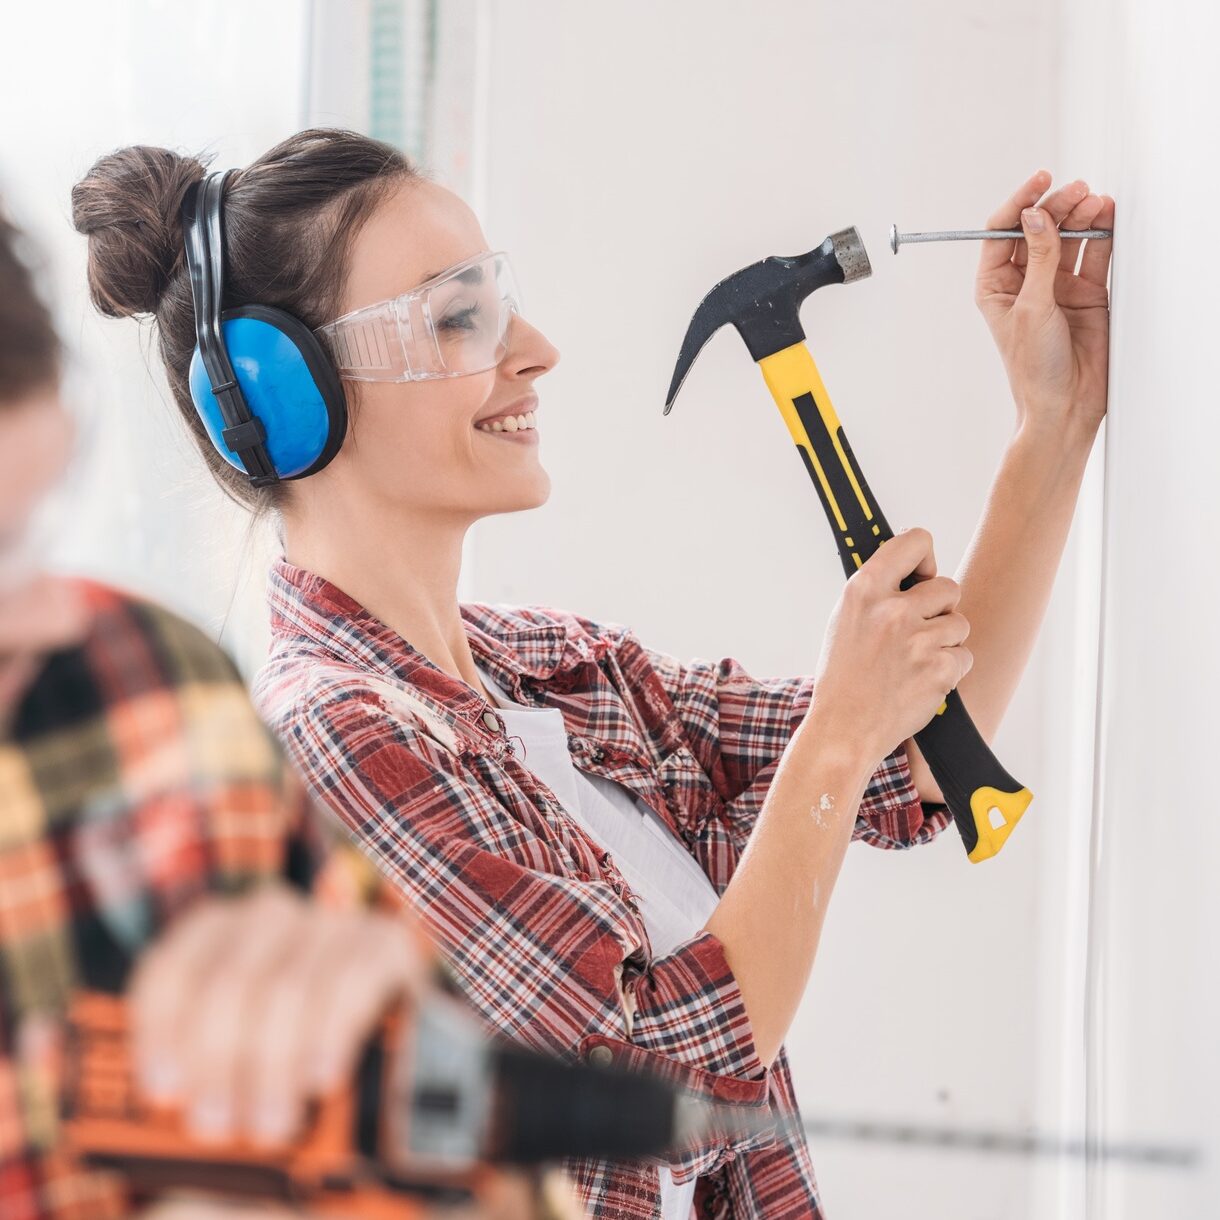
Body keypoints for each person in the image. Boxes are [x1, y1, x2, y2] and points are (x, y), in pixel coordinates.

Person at [71, 129, 1113, 1219]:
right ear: (285, 399)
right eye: (455, 316)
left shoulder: (545, 672)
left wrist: (1052, 423)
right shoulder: (322, 749)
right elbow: (658, 1078)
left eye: (497, 297)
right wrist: (838, 733)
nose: (534, 350)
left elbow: (922, 749)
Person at [0, 198, 575, 1220]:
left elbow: (505, 1185)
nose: (49, 612)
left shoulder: (137, 700)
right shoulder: (339, 722)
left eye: (40, 520)